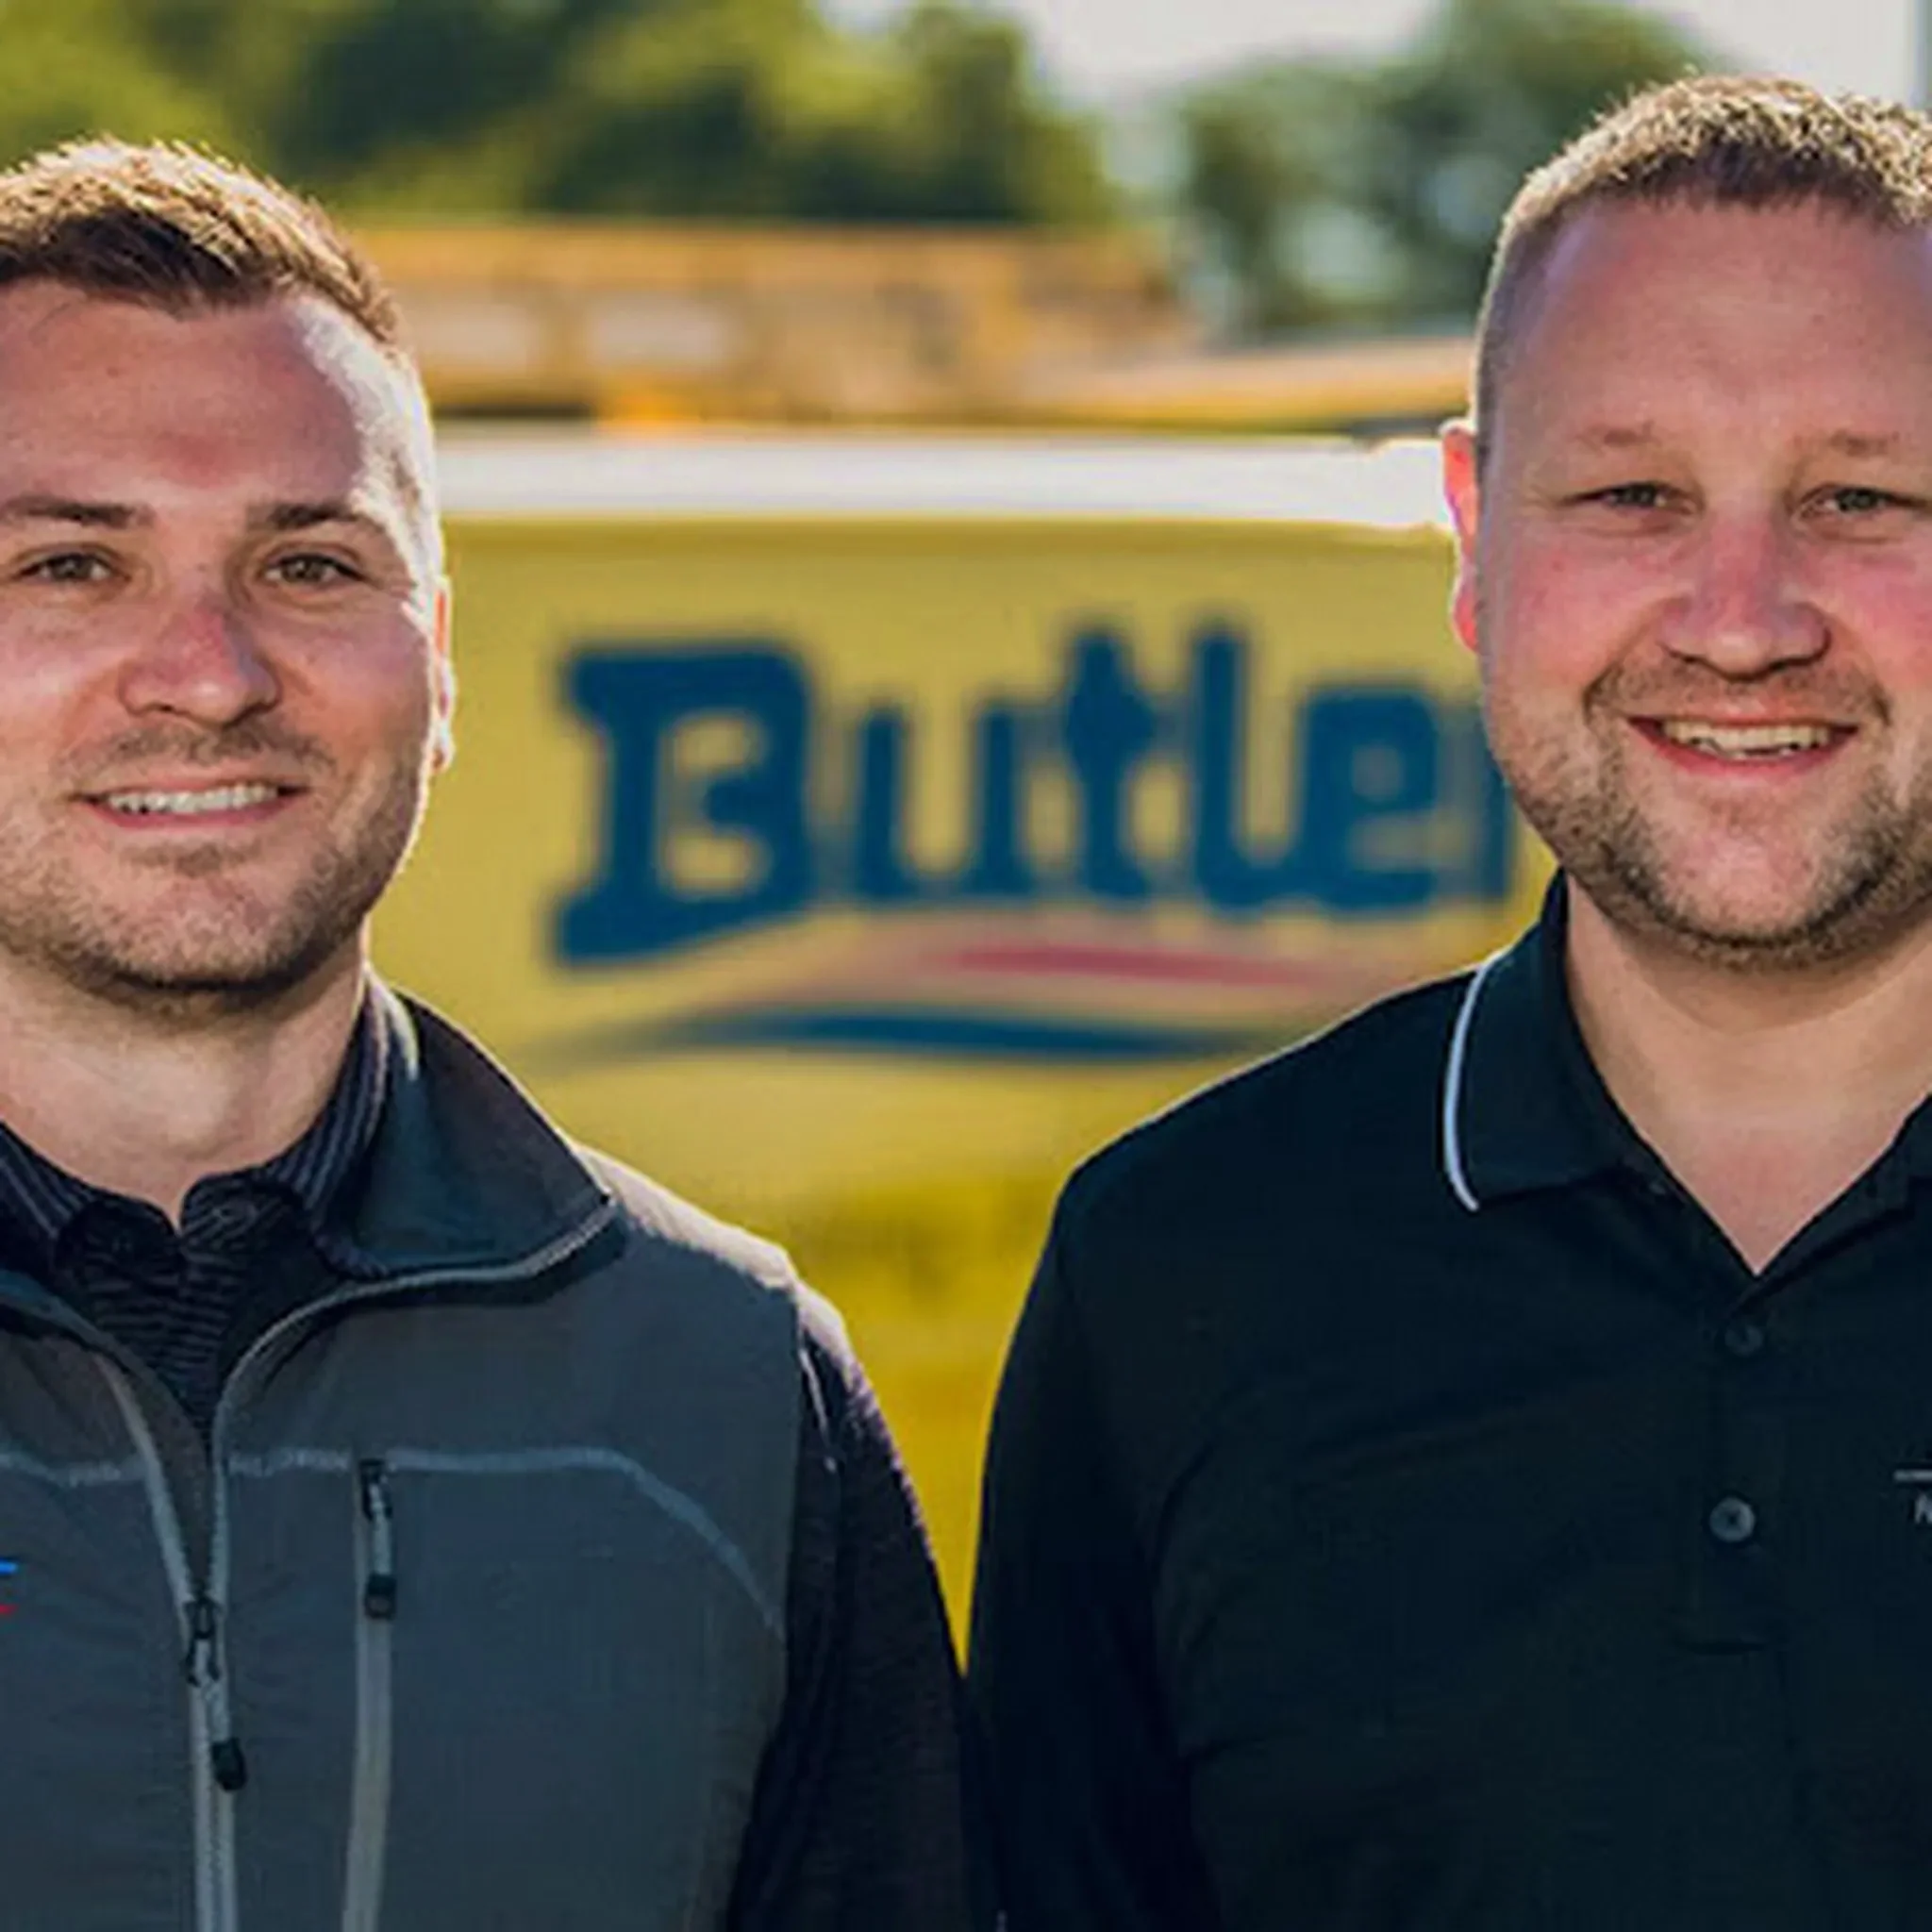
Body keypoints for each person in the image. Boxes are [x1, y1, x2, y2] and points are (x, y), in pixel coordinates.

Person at [970, 73, 1932, 1930]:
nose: (1742, 619)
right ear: (1476, 535)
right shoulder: (1174, 1273)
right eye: (1633, 494)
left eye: (1863, 497)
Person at [0, 137, 984, 1931]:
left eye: (310, 565)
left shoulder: (733, 1386)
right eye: (71, 564)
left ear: (438, 660)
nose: (209, 675)